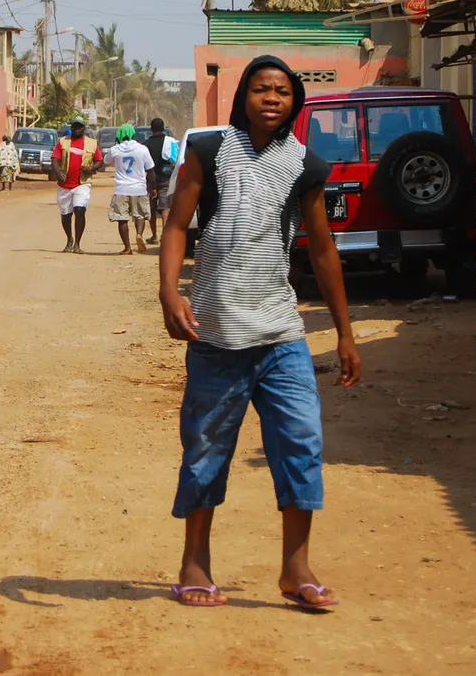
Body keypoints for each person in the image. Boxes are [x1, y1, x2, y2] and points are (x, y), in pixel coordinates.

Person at [156, 55, 360, 611]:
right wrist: (170, 291)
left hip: (280, 334)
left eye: (283, 92)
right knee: (205, 451)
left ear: (294, 103)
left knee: (301, 444)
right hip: (217, 333)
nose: (272, 99)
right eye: (262, 89)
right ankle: (194, 562)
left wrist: (344, 333)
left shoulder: (305, 166)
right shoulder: (208, 153)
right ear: (244, 95)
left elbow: (322, 251)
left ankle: (296, 569)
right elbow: (177, 225)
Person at [52, 117, 103, 253]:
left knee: (80, 210)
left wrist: (92, 169)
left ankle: (78, 244)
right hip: (64, 185)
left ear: (84, 128)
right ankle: (69, 239)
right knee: (66, 215)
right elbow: (55, 160)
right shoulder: (62, 142)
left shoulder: (92, 143)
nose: (76, 129)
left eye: (79, 127)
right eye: (74, 127)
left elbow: (99, 161)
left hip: (82, 183)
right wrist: (58, 173)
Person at [104, 123, 155, 255]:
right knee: (140, 215)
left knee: (122, 219)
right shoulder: (142, 149)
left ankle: (127, 248)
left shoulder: (115, 149)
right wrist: (152, 187)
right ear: (133, 134)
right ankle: (139, 234)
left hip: (121, 189)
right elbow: (150, 171)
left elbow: (105, 161)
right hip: (139, 188)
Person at [143, 117, 180, 245]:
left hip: (151, 181)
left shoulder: (145, 145)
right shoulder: (169, 142)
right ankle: (165, 235)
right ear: (163, 128)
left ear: (151, 129)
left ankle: (154, 236)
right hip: (166, 179)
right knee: (165, 208)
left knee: (152, 209)